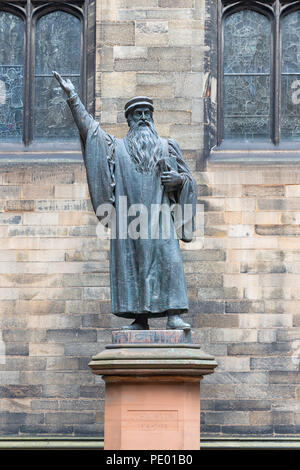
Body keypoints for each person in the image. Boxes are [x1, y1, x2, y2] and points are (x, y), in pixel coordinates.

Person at [53, 71, 197, 330]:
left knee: (169, 261)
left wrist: (179, 181)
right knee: (133, 264)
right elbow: (90, 130)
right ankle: (139, 319)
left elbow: (188, 179)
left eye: (146, 114)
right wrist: (73, 97)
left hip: (160, 220)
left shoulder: (167, 146)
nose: (143, 119)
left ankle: (173, 315)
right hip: (129, 222)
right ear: (129, 119)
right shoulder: (115, 147)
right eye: (137, 114)